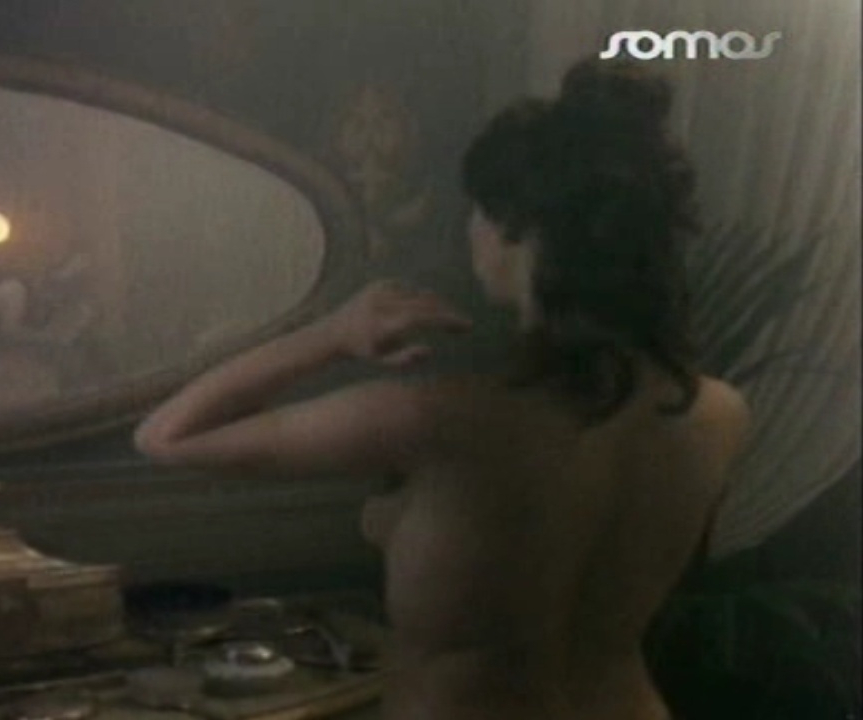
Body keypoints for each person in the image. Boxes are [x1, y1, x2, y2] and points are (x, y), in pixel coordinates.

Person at [134, 58, 750, 720]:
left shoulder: (442, 419)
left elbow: (170, 436)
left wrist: (333, 334)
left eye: (476, 210)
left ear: (513, 224)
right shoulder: (717, 413)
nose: (470, 231)